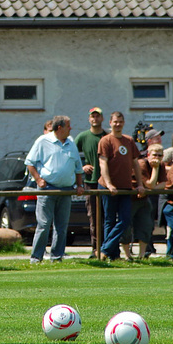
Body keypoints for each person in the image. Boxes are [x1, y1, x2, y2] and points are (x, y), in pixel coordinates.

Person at [25, 115, 84, 263]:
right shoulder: (43, 141)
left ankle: (57, 257)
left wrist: (79, 185)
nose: (71, 128)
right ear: (60, 128)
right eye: (68, 126)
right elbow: (29, 162)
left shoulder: (71, 142)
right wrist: (38, 179)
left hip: (66, 189)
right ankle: (36, 257)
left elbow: (78, 167)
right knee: (44, 225)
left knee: (62, 226)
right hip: (48, 190)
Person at [97, 111, 145, 261]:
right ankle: (113, 255)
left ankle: (105, 249)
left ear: (124, 123)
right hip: (107, 187)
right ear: (110, 123)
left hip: (125, 187)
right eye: (115, 122)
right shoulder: (105, 141)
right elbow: (103, 163)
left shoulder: (129, 140)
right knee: (109, 221)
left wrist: (140, 184)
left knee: (124, 220)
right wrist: (109, 184)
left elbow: (135, 164)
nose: (118, 124)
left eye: (120, 121)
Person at [120, 144, 167, 259]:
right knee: (126, 226)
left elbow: (163, 184)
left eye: (160, 155)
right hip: (130, 198)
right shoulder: (142, 164)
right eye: (154, 155)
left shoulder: (160, 165)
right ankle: (127, 256)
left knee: (146, 225)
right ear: (148, 155)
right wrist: (155, 171)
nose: (157, 158)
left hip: (144, 198)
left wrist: (151, 188)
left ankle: (141, 255)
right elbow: (150, 184)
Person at [75, 107, 107, 258]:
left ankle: (108, 249)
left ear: (102, 118)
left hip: (107, 183)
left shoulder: (107, 136)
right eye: (92, 116)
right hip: (90, 182)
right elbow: (70, 154)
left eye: (98, 116)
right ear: (89, 119)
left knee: (108, 217)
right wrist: (82, 166)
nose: (95, 119)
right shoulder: (83, 137)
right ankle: (95, 249)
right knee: (94, 217)